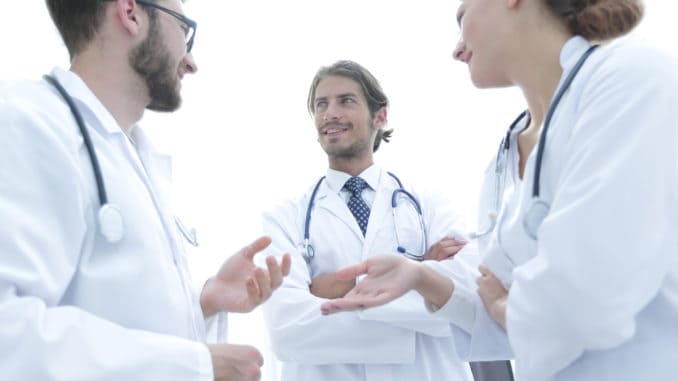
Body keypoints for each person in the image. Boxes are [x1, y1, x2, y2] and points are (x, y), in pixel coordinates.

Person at [321, 1, 678, 380]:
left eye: (463, 19)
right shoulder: (504, 160)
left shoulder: (632, 78)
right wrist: (421, 277)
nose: (456, 49)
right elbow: (506, 317)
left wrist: (509, 307)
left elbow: (584, 299)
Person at [0, 1, 290, 380]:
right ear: (131, 13)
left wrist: (202, 301)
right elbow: (9, 332)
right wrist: (195, 367)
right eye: (183, 29)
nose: (190, 62)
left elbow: (112, 310)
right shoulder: (25, 121)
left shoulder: (132, 152)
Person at [259, 60, 479, 381]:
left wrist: (334, 289)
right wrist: (422, 278)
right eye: (322, 104)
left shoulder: (429, 204)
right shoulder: (283, 218)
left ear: (381, 115)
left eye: (345, 101)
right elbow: (287, 329)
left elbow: (469, 302)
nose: (330, 113)